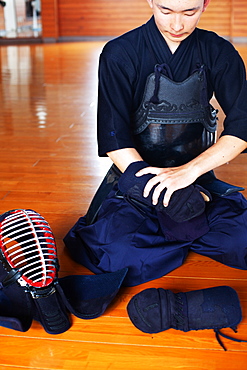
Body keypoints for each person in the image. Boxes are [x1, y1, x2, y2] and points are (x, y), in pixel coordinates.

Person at [64, 0, 247, 286]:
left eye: (189, 12)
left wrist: (188, 175)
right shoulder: (120, 52)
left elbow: (242, 125)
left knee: (243, 242)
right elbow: (114, 137)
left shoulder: (219, 52)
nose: (177, 25)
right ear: (150, 1)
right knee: (118, 257)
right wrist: (167, 193)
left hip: (197, 178)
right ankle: (187, 225)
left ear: (205, 4)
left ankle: (176, 227)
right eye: (166, 11)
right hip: (137, 177)